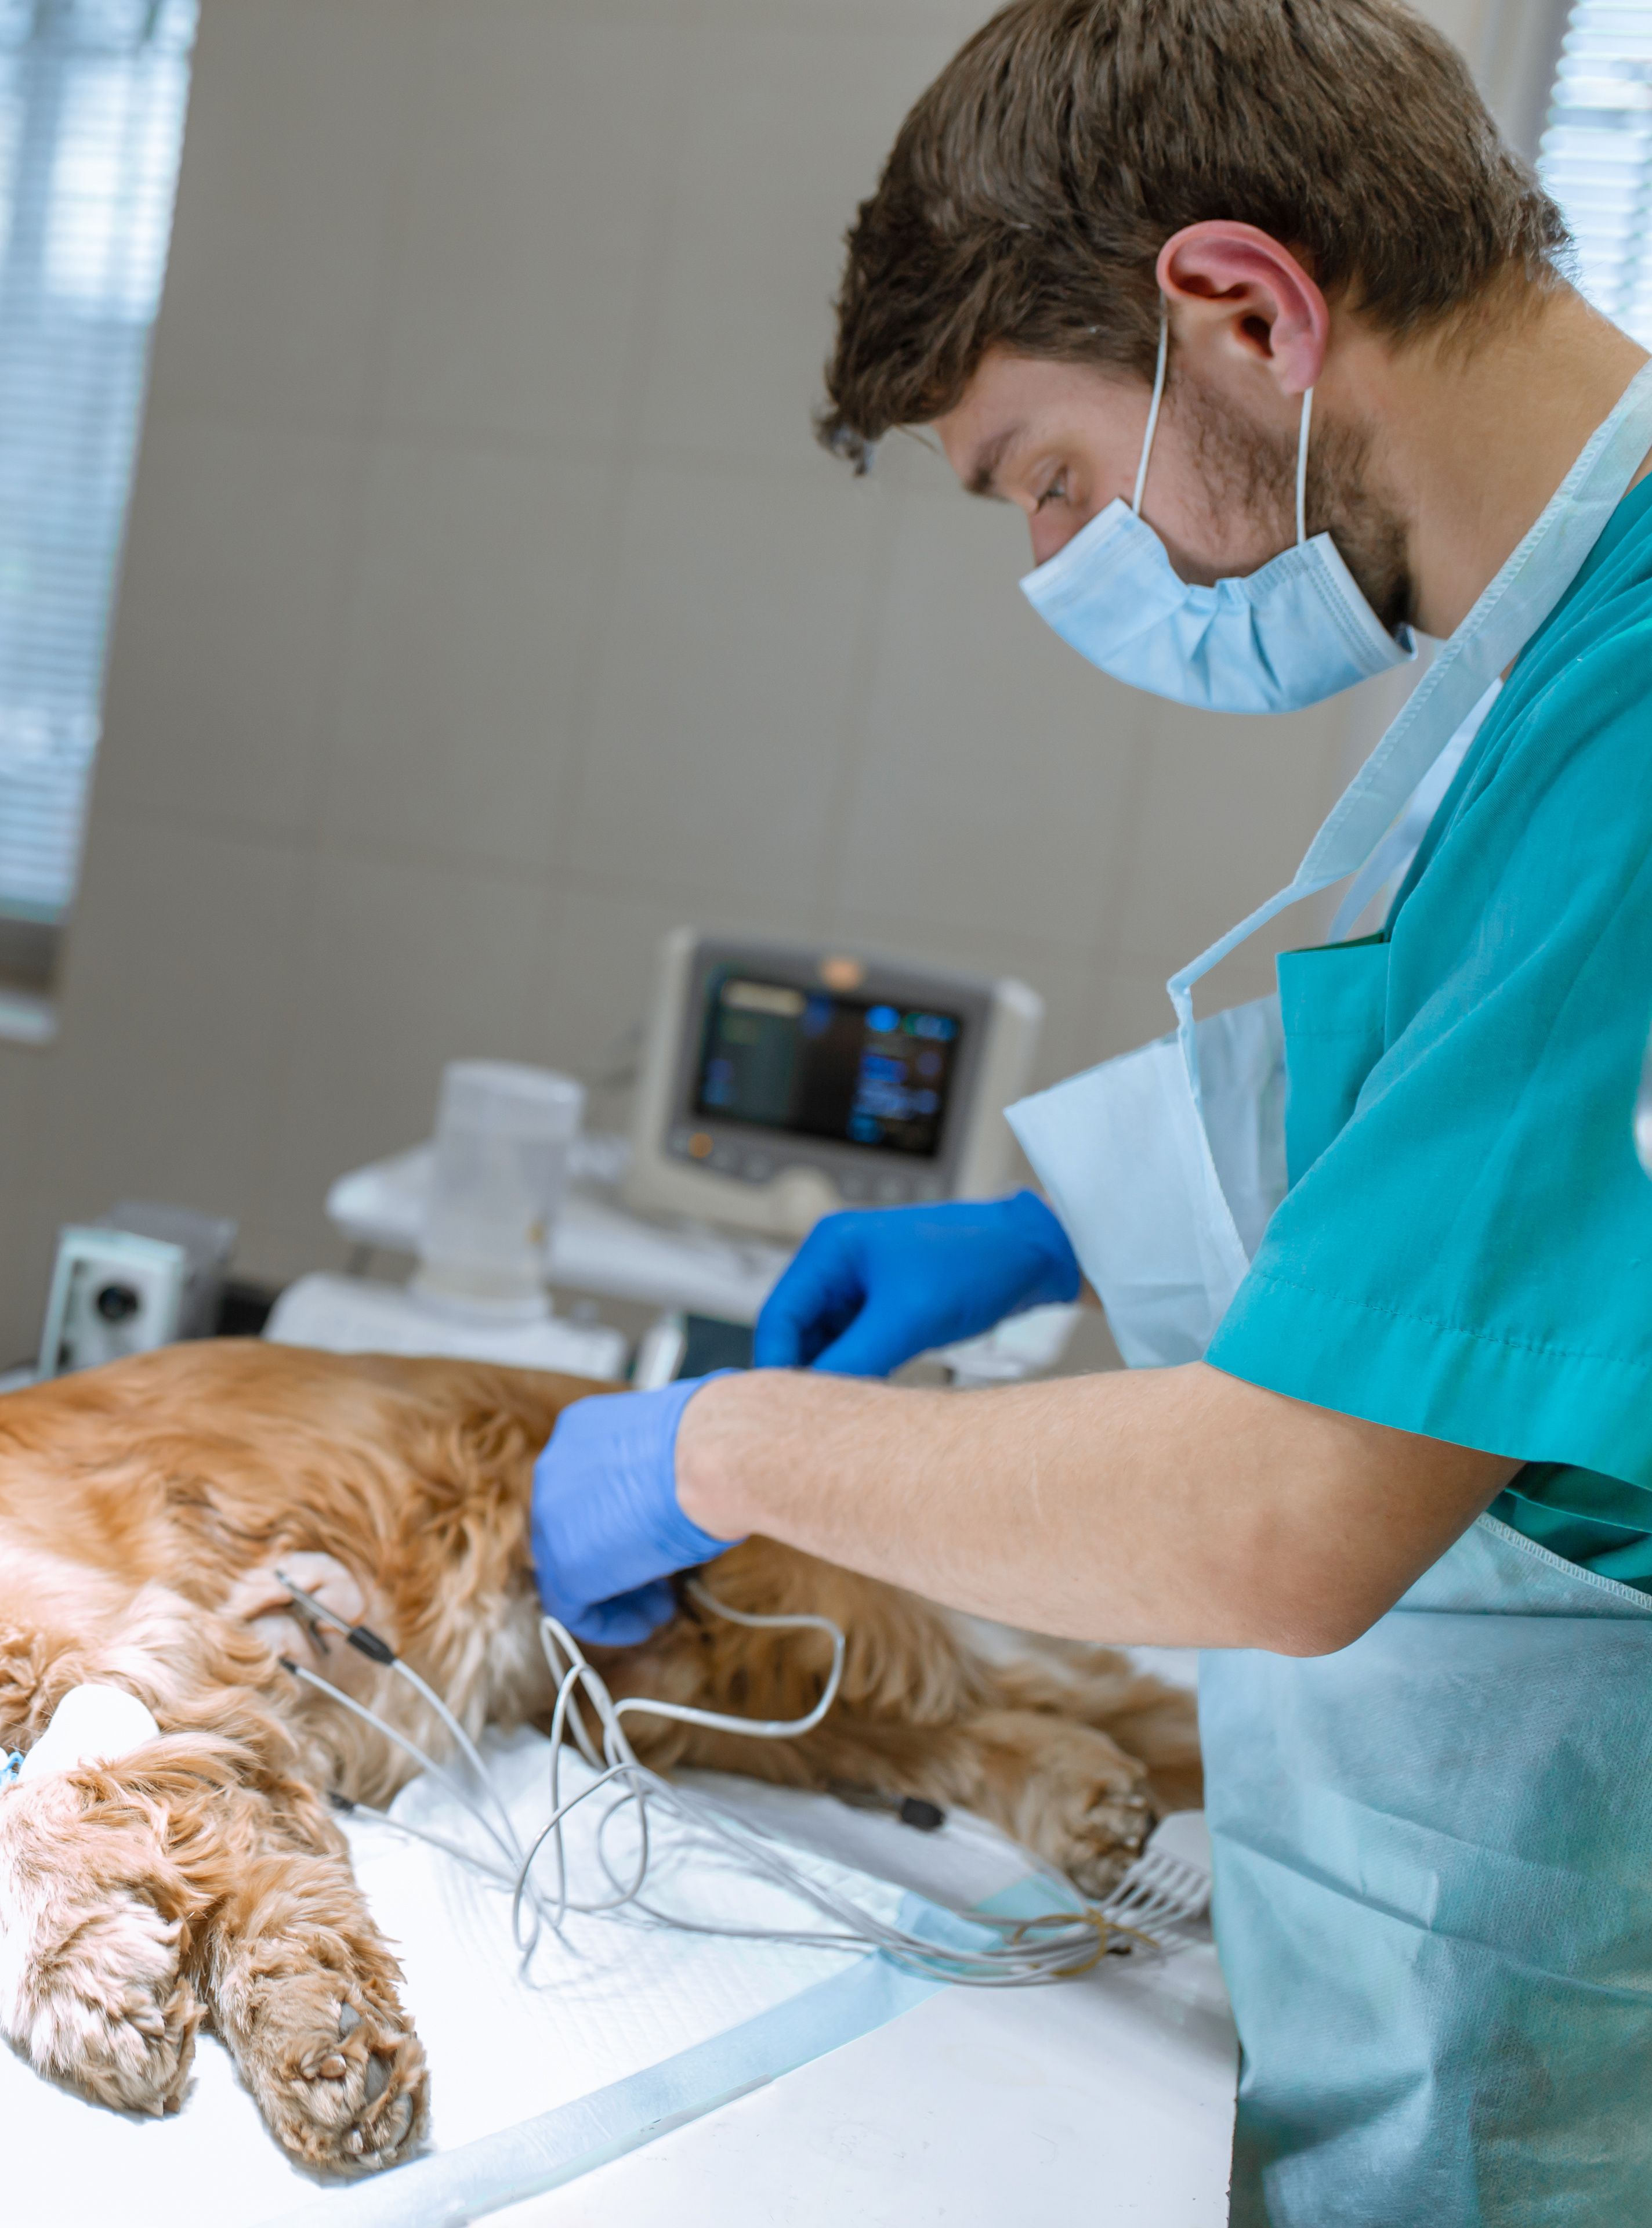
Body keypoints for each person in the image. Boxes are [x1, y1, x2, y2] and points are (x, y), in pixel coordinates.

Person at [529, 4, 1652, 2221]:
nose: (1061, 559)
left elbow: (1286, 1518)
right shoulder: (1560, 657)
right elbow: (1492, 1126)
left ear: (1243, 311)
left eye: (1047, 478)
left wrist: (719, 1447)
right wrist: (1056, 1226)